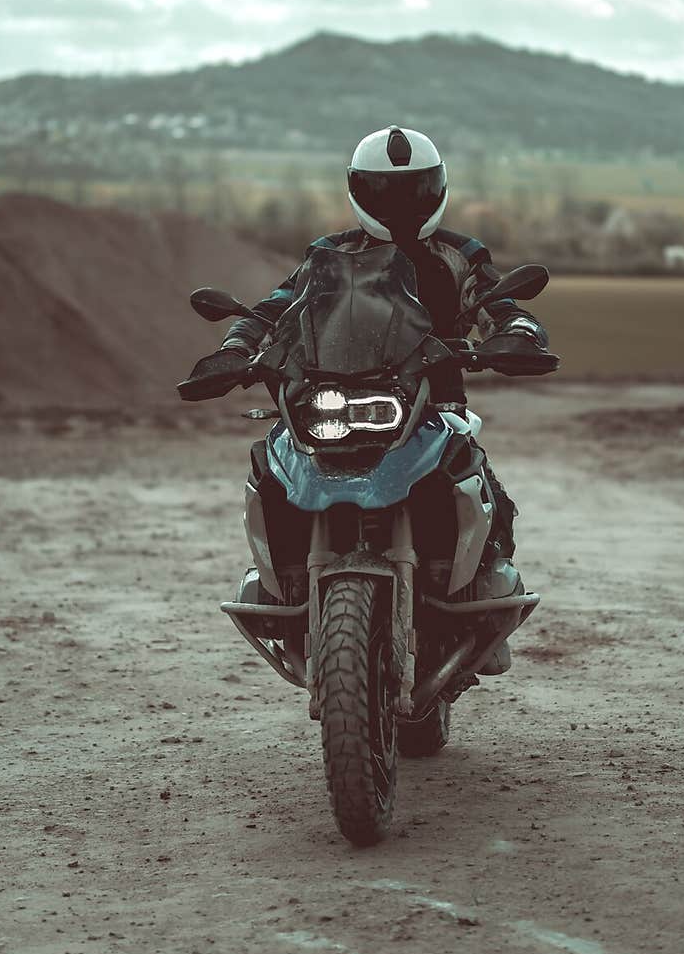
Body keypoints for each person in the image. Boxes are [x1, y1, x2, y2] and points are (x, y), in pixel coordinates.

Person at [179, 126, 557, 668]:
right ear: (359, 191)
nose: (400, 203)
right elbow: (276, 310)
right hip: (331, 392)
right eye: (383, 191)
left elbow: (496, 304)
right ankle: (280, 583)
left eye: (413, 189)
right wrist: (237, 346)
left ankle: (481, 603)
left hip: (430, 403)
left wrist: (518, 331)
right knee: (275, 463)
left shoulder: (458, 255)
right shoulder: (328, 257)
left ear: (437, 188)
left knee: (485, 487)